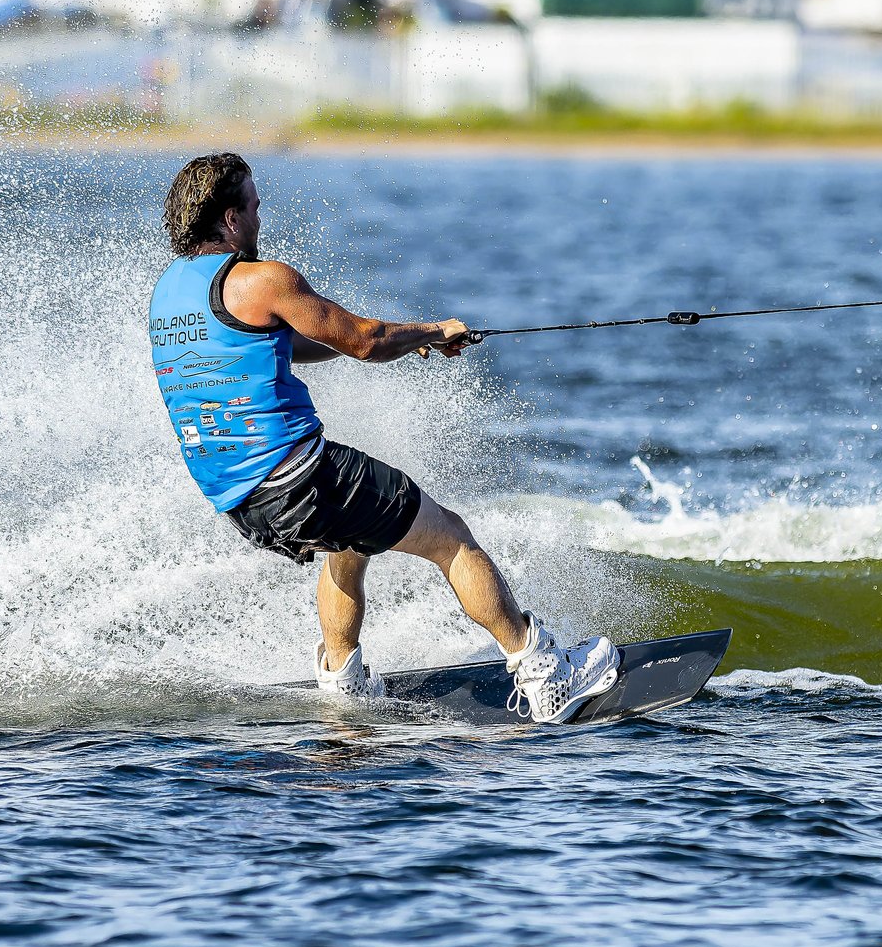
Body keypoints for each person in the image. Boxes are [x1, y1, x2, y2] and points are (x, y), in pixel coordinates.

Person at [150, 153, 619, 723]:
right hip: (301, 478)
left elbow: (296, 343)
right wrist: (426, 330)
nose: (258, 218)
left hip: (241, 501)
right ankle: (544, 671)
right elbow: (361, 339)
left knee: (345, 547)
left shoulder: (171, 295)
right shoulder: (262, 279)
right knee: (450, 538)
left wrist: (402, 342)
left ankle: (341, 683)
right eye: (252, 207)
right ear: (228, 219)